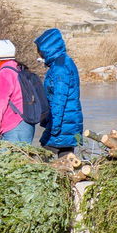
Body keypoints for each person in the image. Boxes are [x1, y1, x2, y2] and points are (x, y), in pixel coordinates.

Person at [34, 28, 82, 156]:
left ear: (47, 48)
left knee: (45, 153)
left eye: (39, 50)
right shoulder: (63, 62)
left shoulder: (60, 68)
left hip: (63, 124)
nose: (38, 54)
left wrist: (53, 127)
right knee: (66, 156)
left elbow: (59, 100)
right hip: (67, 122)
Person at [0, 39, 35, 144]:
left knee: (8, 159)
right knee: (24, 158)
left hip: (14, 126)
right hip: (28, 123)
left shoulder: (4, 74)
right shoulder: (20, 69)